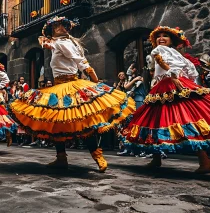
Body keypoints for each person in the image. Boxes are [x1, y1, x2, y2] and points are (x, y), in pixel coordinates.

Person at [121, 26, 210, 173]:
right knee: (162, 121)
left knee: (178, 121)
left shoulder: (160, 51)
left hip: (170, 86)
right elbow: (188, 69)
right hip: (168, 86)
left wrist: (173, 76)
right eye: (158, 36)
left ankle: (202, 160)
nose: (161, 38)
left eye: (165, 36)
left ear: (171, 40)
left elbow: (163, 63)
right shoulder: (175, 53)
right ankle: (160, 158)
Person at [10, 16, 136, 172]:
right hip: (57, 86)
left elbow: (79, 60)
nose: (60, 28)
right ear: (52, 30)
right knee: (57, 124)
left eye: (63, 26)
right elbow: (44, 41)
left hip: (71, 85)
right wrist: (49, 43)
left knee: (83, 121)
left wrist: (93, 77)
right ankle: (61, 158)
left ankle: (98, 156)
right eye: (56, 26)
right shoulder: (58, 43)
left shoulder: (64, 43)